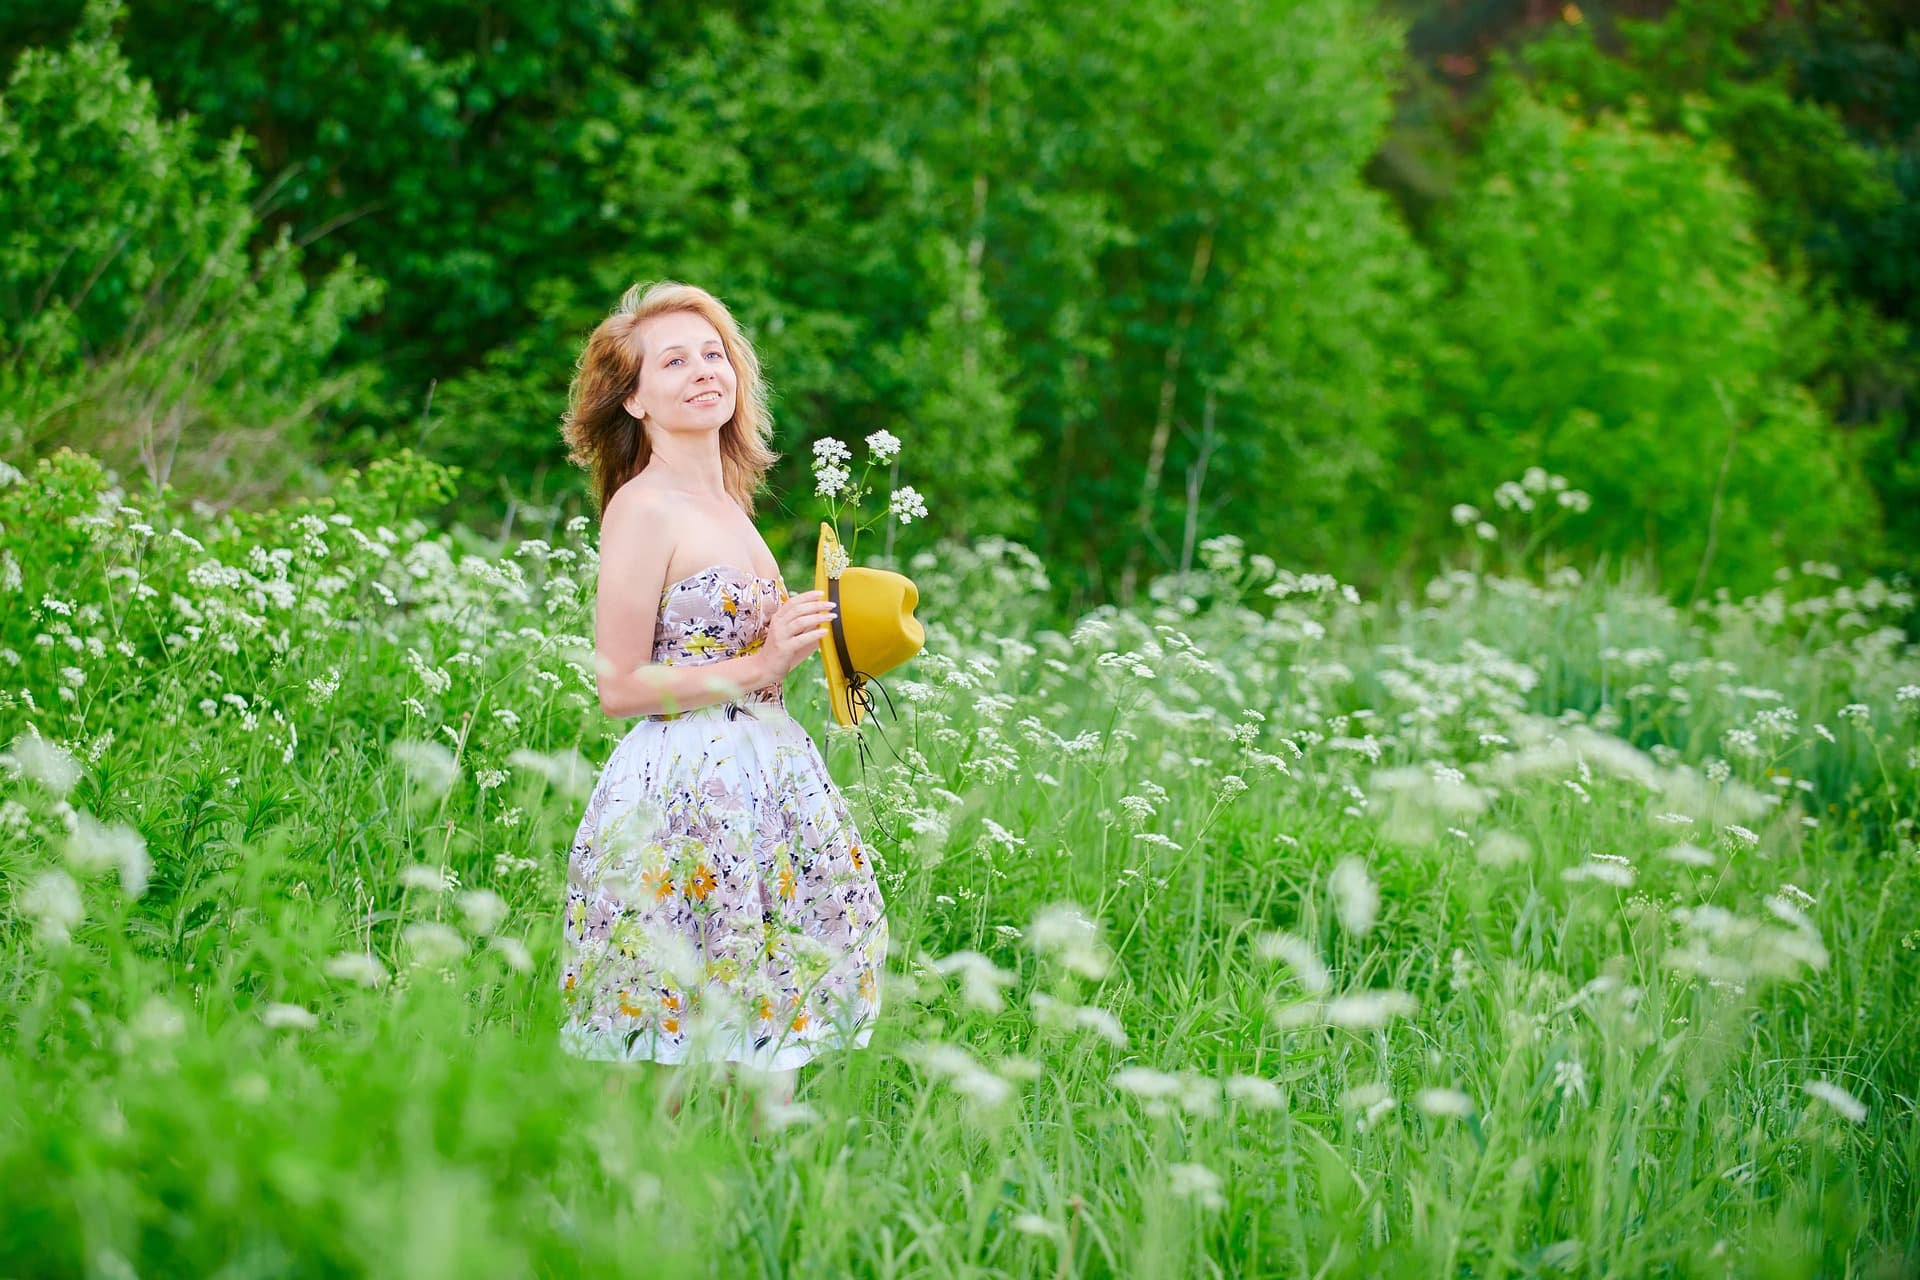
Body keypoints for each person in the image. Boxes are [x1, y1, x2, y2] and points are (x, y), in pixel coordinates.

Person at [556, 281, 889, 1131]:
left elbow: (740, 656)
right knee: (666, 1043)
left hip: (762, 786)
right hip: (681, 793)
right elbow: (619, 686)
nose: (703, 370)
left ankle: (760, 1219)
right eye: (673, 360)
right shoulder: (642, 507)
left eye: (714, 353)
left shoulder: (730, 505)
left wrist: (820, 637)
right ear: (634, 397)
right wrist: (759, 662)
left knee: (765, 1028)